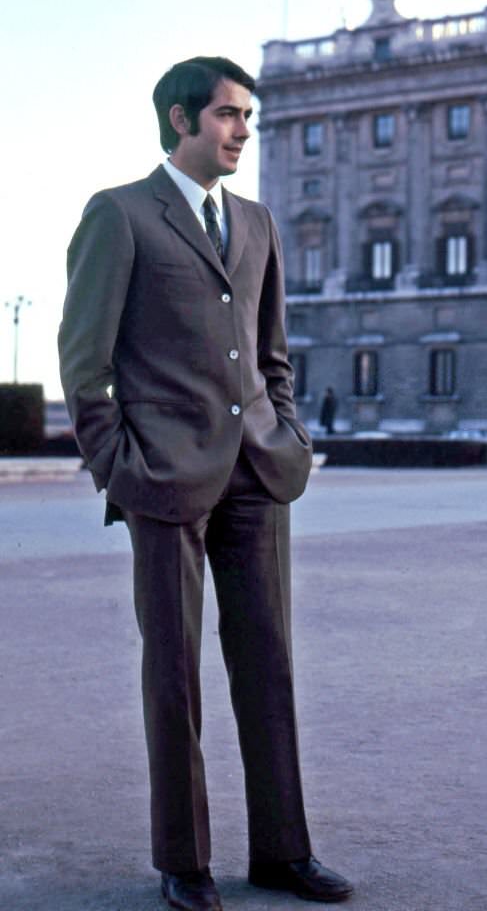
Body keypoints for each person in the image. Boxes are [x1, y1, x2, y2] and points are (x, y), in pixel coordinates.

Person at [58, 57, 353, 911]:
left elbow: (273, 356)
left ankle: (282, 853)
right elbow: (85, 365)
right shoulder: (119, 216)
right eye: (228, 116)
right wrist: (121, 466)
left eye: (248, 118)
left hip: (258, 471)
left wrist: (286, 433)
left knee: (270, 666)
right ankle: (182, 862)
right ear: (182, 120)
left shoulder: (256, 223)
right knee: (174, 674)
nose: (243, 132)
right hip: (165, 479)